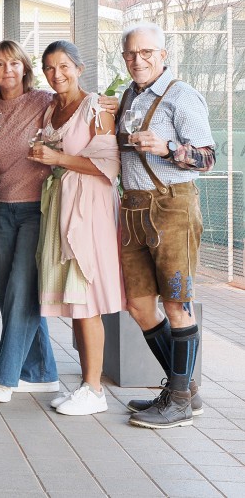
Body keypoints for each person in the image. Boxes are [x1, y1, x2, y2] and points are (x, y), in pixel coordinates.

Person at [117, 22, 214, 429]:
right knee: (140, 306)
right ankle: (183, 392)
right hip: (134, 209)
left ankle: (176, 400)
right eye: (131, 55)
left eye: (146, 54)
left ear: (163, 56)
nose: (138, 61)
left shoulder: (182, 95)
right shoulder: (128, 95)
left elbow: (208, 158)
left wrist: (169, 147)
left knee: (177, 303)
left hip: (173, 207)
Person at [28, 40, 124, 416]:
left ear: (80, 67)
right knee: (74, 297)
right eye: (50, 68)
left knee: (87, 298)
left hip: (89, 207)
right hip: (61, 201)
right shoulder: (53, 107)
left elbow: (109, 165)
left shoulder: (97, 106)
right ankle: (86, 383)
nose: (57, 74)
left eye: (64, 66)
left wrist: (58, 158)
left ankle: (95, 389)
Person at [0, 41, 60, 403]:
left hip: (37, 208)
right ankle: (42, 373)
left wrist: (107, 103)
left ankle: (5, 378)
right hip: (5, 208)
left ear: (25, 68)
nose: (7, 70)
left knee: (21, 290)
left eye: (14, 63)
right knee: (10, 295)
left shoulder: (44, 101)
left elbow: (76, 106)